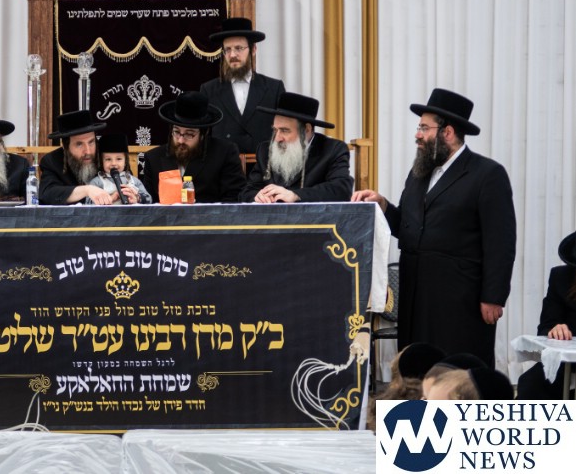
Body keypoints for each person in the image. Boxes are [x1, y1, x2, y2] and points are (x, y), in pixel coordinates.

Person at [352, 88, 517, 367]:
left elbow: (501, 242)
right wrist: (383, 205)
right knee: (416, 370)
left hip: (459, 300)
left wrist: (493, 296)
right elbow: (409, 228)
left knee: (456, 373)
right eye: (419, 127)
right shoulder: (420, 173)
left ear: (447, 132)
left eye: (424, 128)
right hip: (416, 296)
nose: (417, 135)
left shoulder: (487, 174)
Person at [239, 92, 353, 203]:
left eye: (284, 130)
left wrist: (296, 195)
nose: (277, 138)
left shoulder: (332, 150)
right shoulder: (265, 150)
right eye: (275, 130)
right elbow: (246, 192)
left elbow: (341, 189)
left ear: (307, 129)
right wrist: (257, 196)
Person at [200, 17, 285, 154]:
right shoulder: (209, 90)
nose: (232, 55)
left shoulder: (274, 89)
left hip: (264, 165)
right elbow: (203, 137)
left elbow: (284, 133)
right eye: (227, 49)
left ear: (253, 49)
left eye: (239, 48)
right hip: (223, 166)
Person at [143, 91, 246, 204]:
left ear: (203, 134)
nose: (181, 140)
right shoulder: (153, 158)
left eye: (189, 134)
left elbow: (233, 199)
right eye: (176, 132)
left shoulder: (225, 153)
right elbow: (148, 203)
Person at [517, 230, 576, 399]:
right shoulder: (561, 278)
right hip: (566, 364)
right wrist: (555, 329)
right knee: (531, 384)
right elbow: (545, 327)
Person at [38, 110, 112, 205]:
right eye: (79, 144)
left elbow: (124, 180)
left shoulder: (107, 156)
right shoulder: (52, 161)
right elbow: (47, 194)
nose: (88, 151)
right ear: (66, 147)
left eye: (91, 142)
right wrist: (87, 190)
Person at [87, 134, 152, 205]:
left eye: (119, 159)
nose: (113, 163)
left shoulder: (134, 181)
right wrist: (111, 198)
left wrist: (137, 198)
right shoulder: (97, 182)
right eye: (108, 159)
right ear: (102, 162)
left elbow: (149, 199)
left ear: (125, 161)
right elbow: (88, 203)